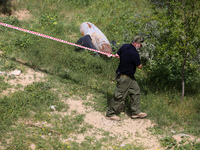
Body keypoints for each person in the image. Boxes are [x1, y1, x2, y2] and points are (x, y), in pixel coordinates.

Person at [106, 35, 147, 121]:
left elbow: (117, 55)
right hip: (124, 77)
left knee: (136, 92)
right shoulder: (134, 53)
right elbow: (139, 66)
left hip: (130, 77)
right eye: (140, 45)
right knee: (119, 96)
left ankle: (135, 112)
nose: (140, 47)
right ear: (137, 43)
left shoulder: (124, 46)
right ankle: (110, 113)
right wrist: (142, 62)